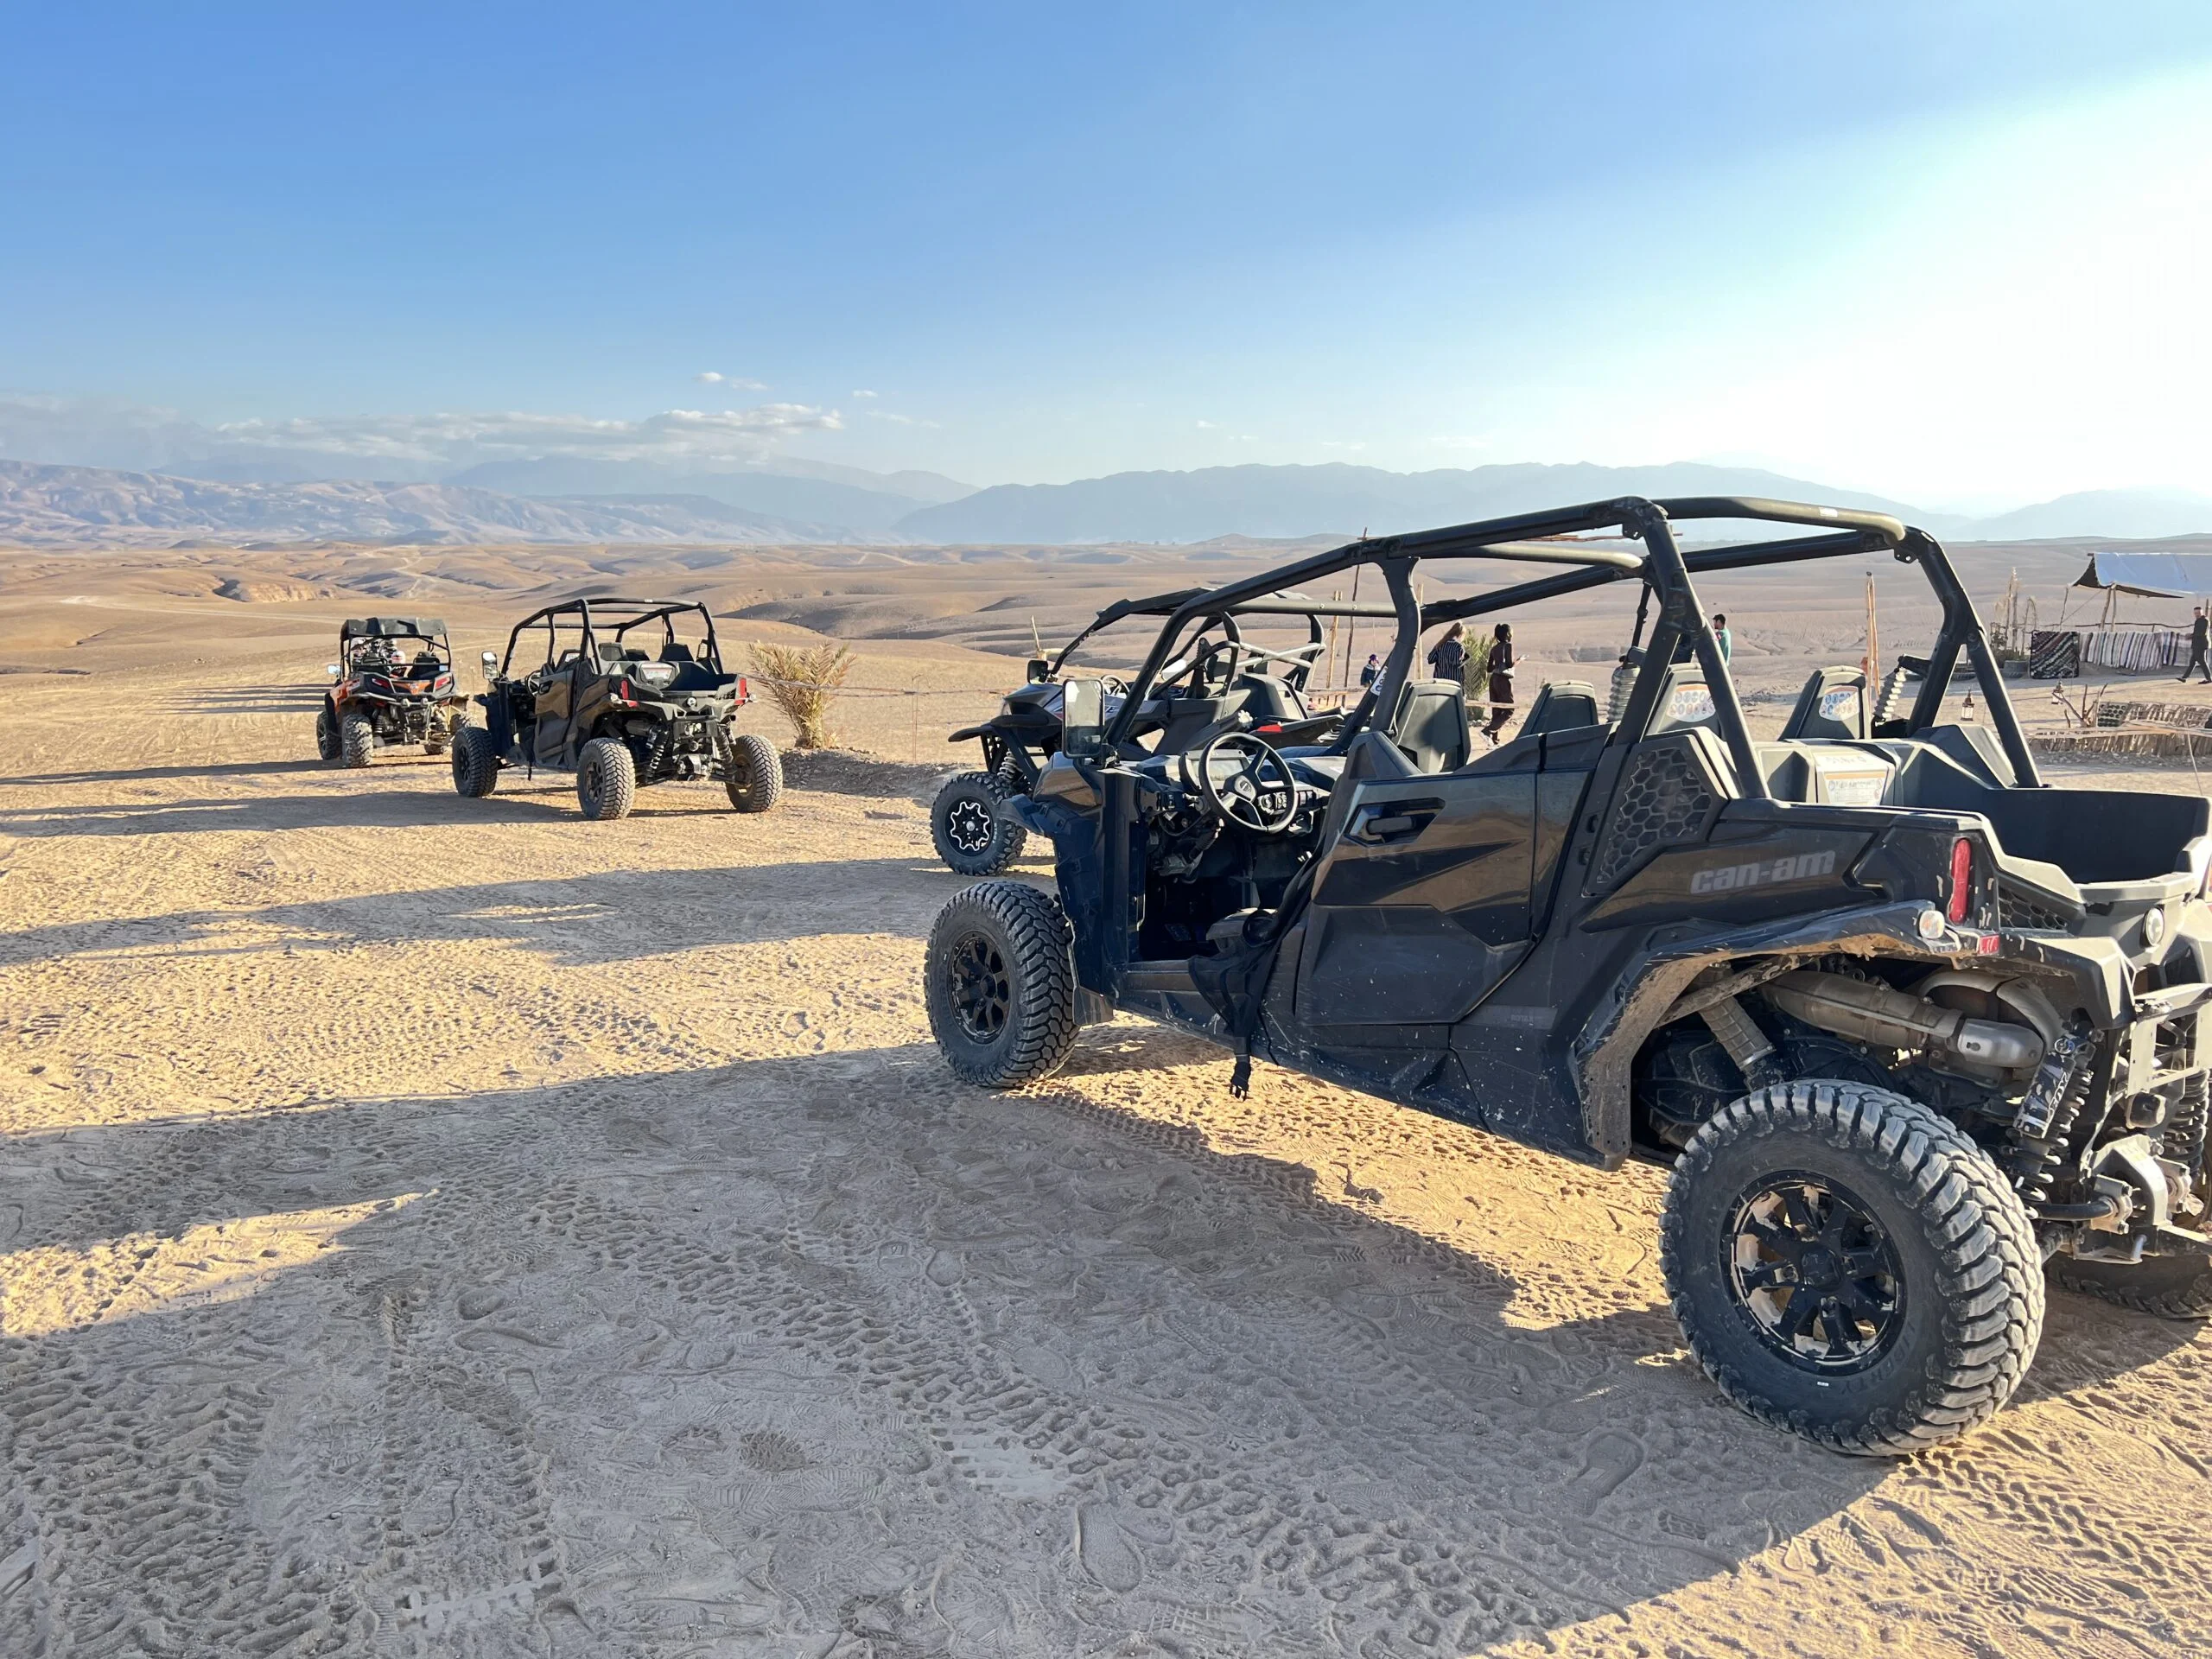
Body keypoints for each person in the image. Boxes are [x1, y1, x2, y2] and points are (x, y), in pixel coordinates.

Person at [1483, 622, 1516, 741]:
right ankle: (1487, 731)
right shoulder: (1508, 646)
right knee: (1509, 709)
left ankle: (1494, 737)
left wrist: (1497, 665)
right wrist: (1518, 661)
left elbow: (1489, 668)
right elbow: (1509, 664)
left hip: (1493, 680)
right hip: (1502, 680)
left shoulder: (1494, 648)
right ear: (1507, 634)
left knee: (1496, 708)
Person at [1426, 623, 1466, 688]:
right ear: (1460, 635)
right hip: (1453, 685)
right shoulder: (1458, 647)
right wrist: (1465, 660)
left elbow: (1430, 659)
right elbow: (1456, 664)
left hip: (1439, 684)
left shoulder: (1440, 645)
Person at [2183, 607, 2210, 683]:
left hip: (2201, 644)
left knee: (2202, 661)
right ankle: (2184, 677)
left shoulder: (2204, 620)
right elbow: (2198, 633)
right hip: (2197, 644)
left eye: (2198, 613)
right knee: (2192, 662)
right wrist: (2191, 636)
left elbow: (2202, 633)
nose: (2197, 615)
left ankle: (2209, 678)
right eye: (2195, 613)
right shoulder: (2199, 621)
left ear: (2201, 613)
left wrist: (2191, 636)